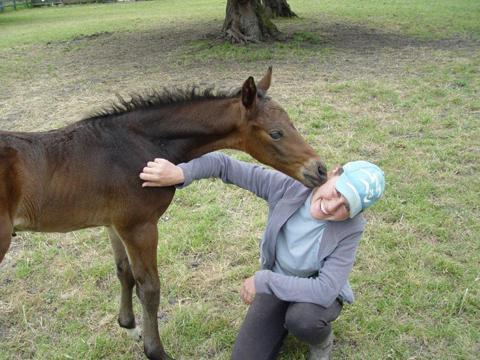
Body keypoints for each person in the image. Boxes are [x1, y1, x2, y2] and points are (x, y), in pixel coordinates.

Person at [139, 152, 385, 360]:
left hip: (313, 296)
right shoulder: (288, 187)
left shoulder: (352, 227)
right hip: (279, 282)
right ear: (333, 173)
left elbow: (325, 290)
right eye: (337, 192)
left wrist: (264, 281)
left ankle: (321, 341)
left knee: (303, 319)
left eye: (347, 206)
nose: (332, 207)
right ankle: (280, 322)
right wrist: (182, 173)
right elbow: (225, 165)